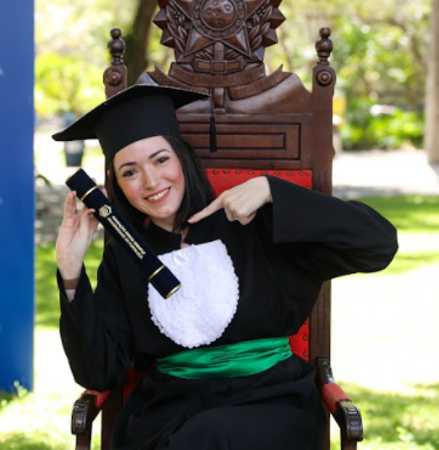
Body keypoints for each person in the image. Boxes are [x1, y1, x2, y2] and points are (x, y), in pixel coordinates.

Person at [52, 85, 398, 450]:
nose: (151, 182)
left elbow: (378, 245)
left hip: (271, 404)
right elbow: (98, 372)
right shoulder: (125, 257)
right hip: (171, 411)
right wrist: (70, 269)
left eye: (160, 160)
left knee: (213, 434)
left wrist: (272, 192)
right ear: (119, 186)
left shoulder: (254, 224)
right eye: (130, 172)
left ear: (182, 158)